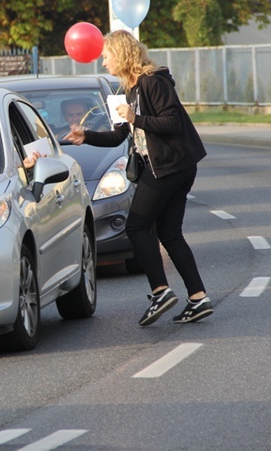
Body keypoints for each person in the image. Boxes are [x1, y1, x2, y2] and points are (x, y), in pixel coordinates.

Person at [65, 30, 213, 326]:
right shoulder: (129, 89)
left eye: (106, 56)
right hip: (166, 167)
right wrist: (86, 137)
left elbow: (171, 122)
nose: (104, 62)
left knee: (136, 227)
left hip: (171, 166)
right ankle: (198, 298)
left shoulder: (153, 81)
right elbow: (121, 134)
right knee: (169, 233)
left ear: (121, 54)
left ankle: (160, 292)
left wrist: (137, 119)